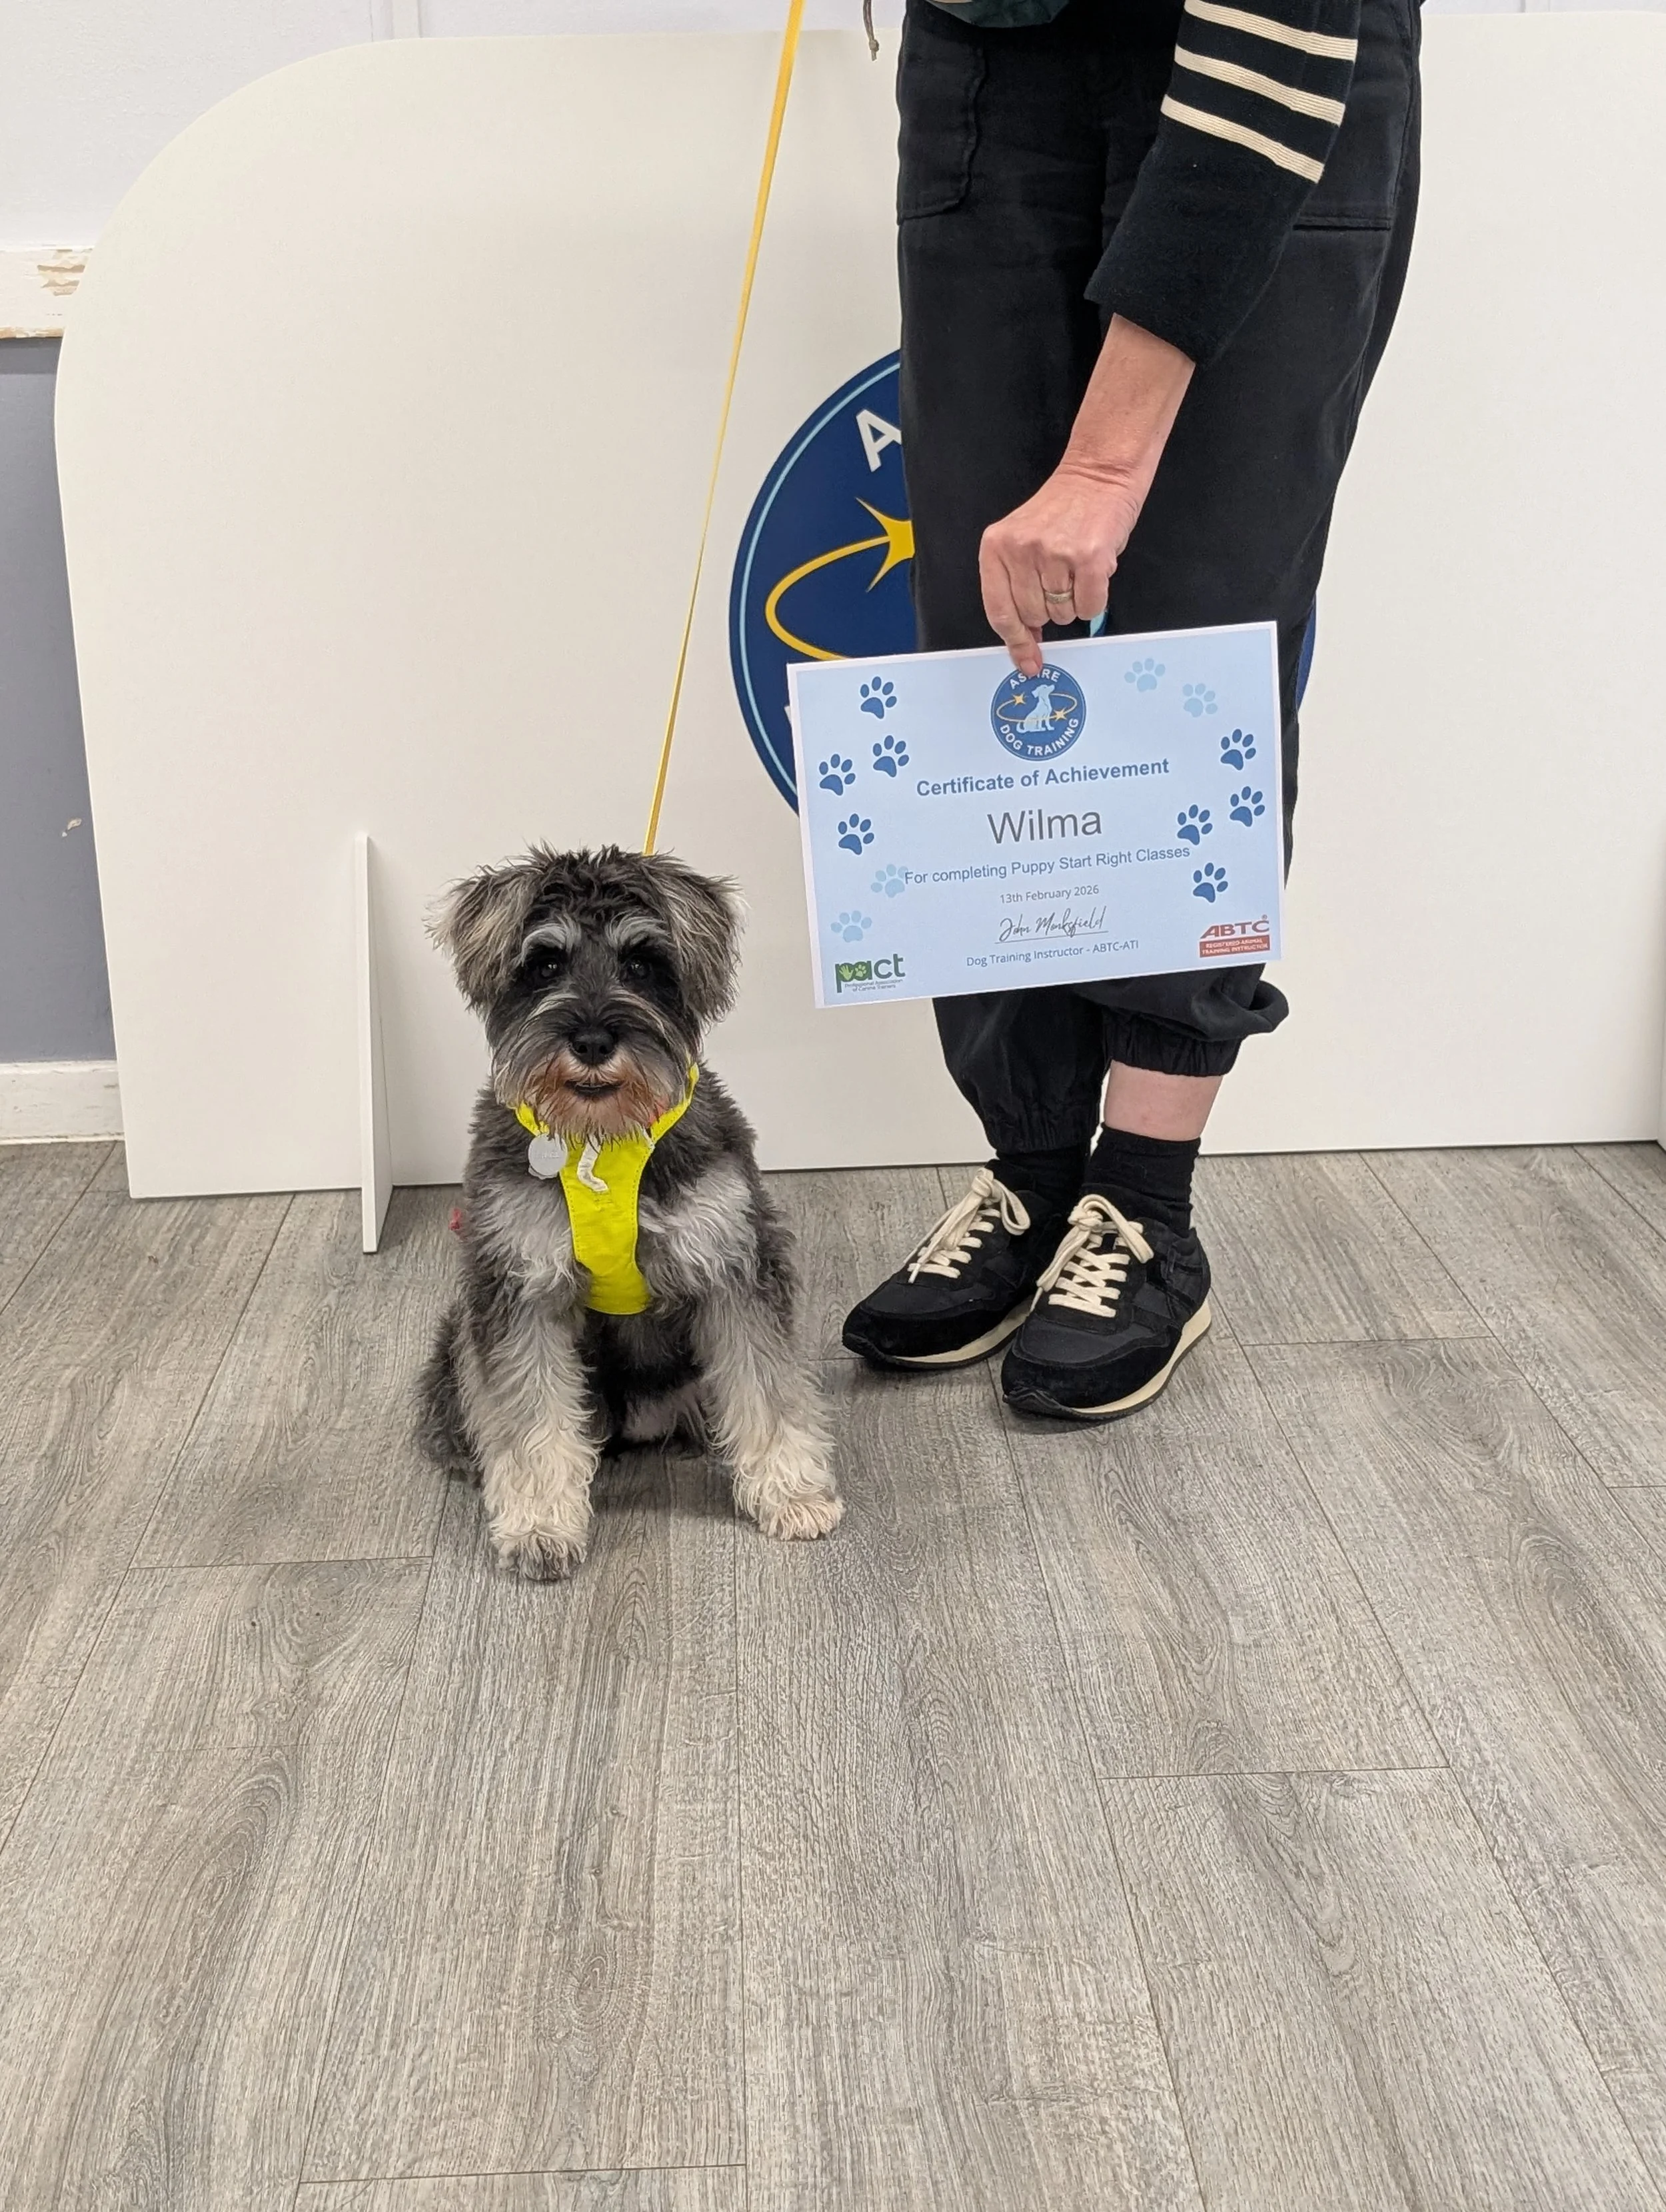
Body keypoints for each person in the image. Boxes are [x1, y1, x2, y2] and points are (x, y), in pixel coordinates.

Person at [842, 0, 1419, 1418]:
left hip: (1261, 47)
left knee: (1195, 641)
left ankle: (1143, 1204)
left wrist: (1103, 470)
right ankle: (1034, 1168)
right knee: (979, 651)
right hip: (991, 50)